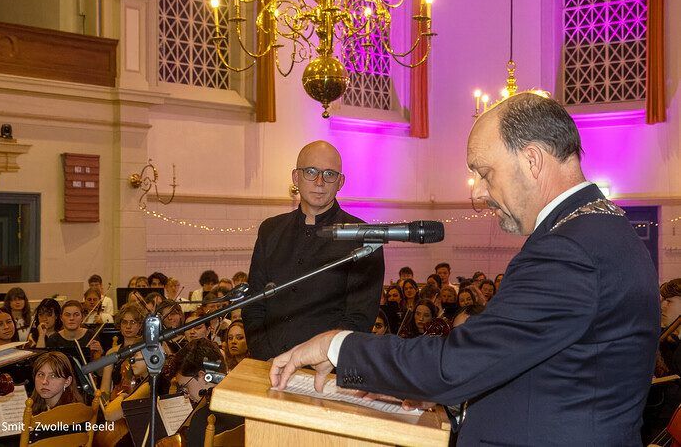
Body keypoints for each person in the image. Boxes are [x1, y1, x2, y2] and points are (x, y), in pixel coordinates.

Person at [269, 92, 660, 445]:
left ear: (532, 160)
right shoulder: (596, 230)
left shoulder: (571, 249)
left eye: (485, 172)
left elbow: (456, 364)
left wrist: (337, 344)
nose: (477, 191)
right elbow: (537, 372)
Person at [243, 141, 385, 360]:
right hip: (268, 363)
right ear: (295, 177)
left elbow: (359, 317)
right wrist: (266, 356)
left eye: (329, 174)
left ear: (340, 182)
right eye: (311, 172)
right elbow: (253, 303)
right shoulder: (270, 230)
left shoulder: (363, 237)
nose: (319, 182)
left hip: (324, 368)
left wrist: (317, 358)